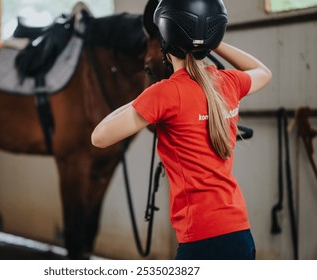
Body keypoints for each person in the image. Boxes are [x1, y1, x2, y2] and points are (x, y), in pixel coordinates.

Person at [91, 0, 272, 260]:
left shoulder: (165, 94)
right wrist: (212, 42)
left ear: (165, 39)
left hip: (201, 239)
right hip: (240, 234)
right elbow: (263, 72)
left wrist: (145, 99)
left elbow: (98, 137)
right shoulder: (228, 82)